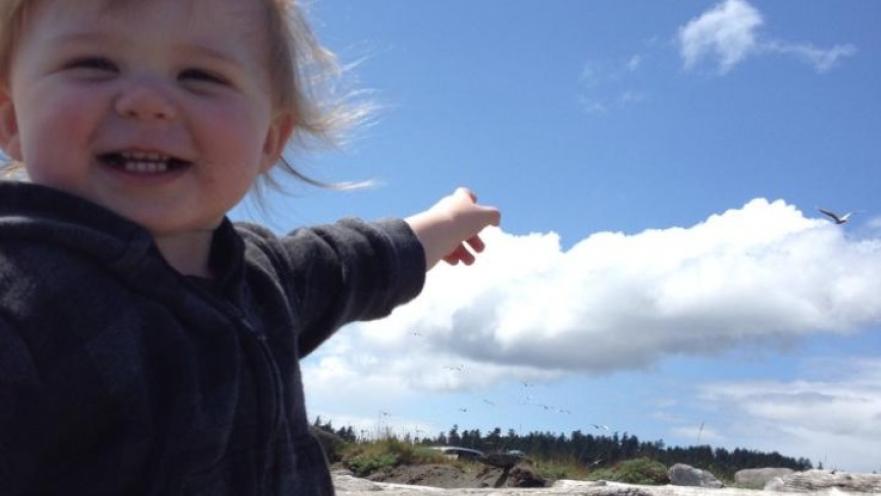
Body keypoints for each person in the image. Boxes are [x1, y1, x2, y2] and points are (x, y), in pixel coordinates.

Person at [0, 0, 500, 494]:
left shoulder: (263, 280)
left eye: (200, 75)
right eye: (93, 64)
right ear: (11, 119)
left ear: (270, 138)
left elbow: (357, 261)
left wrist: (446, 222)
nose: (147, 100)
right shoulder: (20, 307)